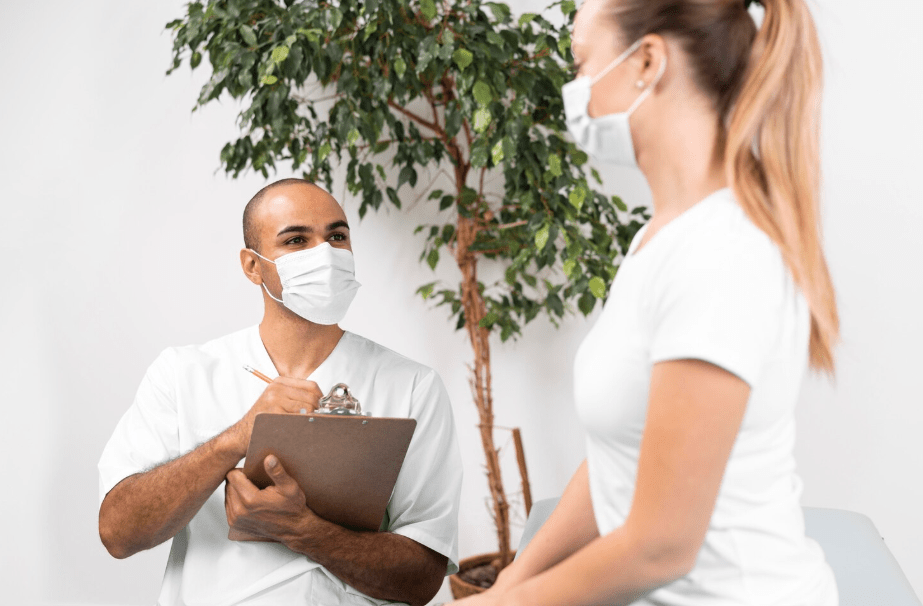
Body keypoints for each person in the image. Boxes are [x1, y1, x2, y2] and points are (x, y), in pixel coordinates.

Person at [449, 0, 839, 604]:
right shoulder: (660, 238)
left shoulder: (720, 255)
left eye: (582, 64)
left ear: (647, 62)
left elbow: (662, 544)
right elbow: (618, 458)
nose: (574, 90)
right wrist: (510, 582)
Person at [98, 179, 463, 606]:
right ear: (253, 266)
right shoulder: (183, 374)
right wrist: (236, 438)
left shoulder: (413, 386)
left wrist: (302, 530)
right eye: (296, 240)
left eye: (337, 236)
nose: (324, 253)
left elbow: (422, 579)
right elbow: (118, 533)